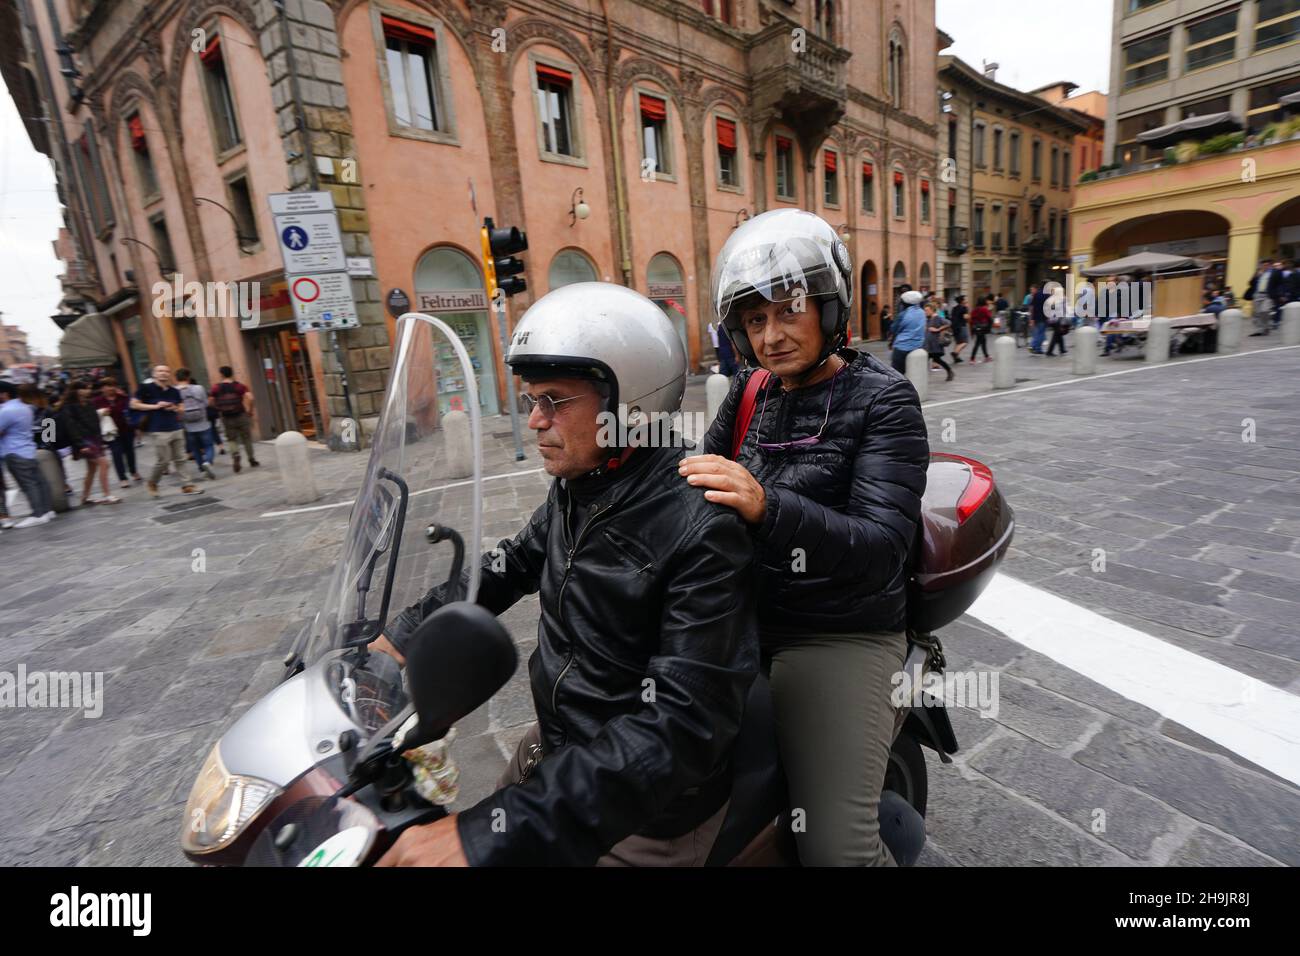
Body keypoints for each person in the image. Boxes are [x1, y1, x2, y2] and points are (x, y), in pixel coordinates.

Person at [373, 282, 758, 867]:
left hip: (650, 806)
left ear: (626, 404)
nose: (534, 421)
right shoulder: (582, 489)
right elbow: (507, 566)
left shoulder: (701, 524)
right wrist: (401, 636)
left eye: (554, 400)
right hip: (566, 748)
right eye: (532, 399)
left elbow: (681, 722)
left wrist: (480, 837)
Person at [681, 208, 929, 866]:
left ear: (829, 306)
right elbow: (702, 486)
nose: (771, 335)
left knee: (833, 852)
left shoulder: (885, 399)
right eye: (755, 320)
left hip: (837, 629)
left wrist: (768, 507)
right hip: (744, 612)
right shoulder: (749, 391)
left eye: (788, 311)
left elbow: (881, 546)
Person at [131, 364, 204, 498]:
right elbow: (134, 404)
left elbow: (182, 408)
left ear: (169, 374)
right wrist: (155, 406)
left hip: (176, 427)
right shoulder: (145, 388)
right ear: (154, 374)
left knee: (181, 459)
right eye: (160, 371)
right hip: (158, 429)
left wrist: (174, 408)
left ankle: (187, 485)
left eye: (166, 371)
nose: (163, 373)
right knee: (163, 461)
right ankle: (153, 482)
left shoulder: (174, 391)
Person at [0, 380, 56, 527]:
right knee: (39, 482)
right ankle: (47, 510)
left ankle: (38, 514)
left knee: (28, 485)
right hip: (28, 449)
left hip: (14, 451)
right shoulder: (26, 408)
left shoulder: (6, 411)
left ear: (4, 394)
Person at [55, 380, 119, 507]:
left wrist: (101, 439)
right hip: (83, 440)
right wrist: (80, 445)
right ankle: (107, 495)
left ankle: (85, 497)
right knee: (104, 464)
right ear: (76, 390)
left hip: (94, 438)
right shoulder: (68, 406)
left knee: (92, 469)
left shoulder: (89, 403)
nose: (88, 390)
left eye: (88, 388)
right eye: (85, 388)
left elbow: (95, 422)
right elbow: (70, 427)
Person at [92, 377, 141, 488]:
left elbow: (132, 412)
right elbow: (92, 417)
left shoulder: (124, 398)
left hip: (127, 429)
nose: (111, 388)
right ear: (102, 388)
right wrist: (101, 412)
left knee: (130, 452)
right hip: (111, 432)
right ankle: (122, 478)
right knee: (116, 453)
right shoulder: (97, 401)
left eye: (113, 385)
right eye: (108, 386)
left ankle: (133, 471)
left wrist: (136, 427)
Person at [210, 366, 259, 472]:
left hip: (227, 417)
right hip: (241, 414)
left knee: (232, 439)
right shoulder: (239, 386)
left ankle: (236, 455)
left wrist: (218, 408)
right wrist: (250, 410)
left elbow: (210, 401)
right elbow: (250, 398)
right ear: (231, 374)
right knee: (247, 438)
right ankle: (251, 459)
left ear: (221, 374)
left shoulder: (216, 388)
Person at [176, 368, 216, 480]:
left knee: (195, 449)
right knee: (208, 445)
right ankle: (207, 462)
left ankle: (202, 469)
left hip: (188, 426)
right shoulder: (198, 388)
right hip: (203, 423)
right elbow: (206, 403)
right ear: (188, 377)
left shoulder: (174, 391)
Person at [888, 290, 926, 374]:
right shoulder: (922, 312)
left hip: (902, 347)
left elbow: (893, 329)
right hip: (918, 346)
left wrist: (891, 341)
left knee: (897, 373)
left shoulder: (903, 314)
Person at [1244, 259, 1281, 336]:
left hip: (1267, 295)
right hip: (1257, 294)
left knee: (1264, 311)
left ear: (1270, 265)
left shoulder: (1275, 272)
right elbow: (1250, 283)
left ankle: (1266, 327)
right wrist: (1256, 275)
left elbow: (1280, 284)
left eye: (1266, 265)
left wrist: (1279, 294)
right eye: (1263, 265)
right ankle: (1259, 330)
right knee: (1257, 313)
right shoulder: (1258, 272)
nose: (1264, 266)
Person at [924, 301, 954, 380]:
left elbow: (949, 323)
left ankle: (950, 371)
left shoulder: (938, 318)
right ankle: (949, 371)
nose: (925, 312)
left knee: (934, 359)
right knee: (933, 359)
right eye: (925, 310)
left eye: (927, 310)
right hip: (928, 344)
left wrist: (938, 329)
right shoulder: (928, 319)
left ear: (932, 310)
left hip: (935, 344)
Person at [969, 296, 993, 361]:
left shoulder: (974, 310)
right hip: (983, 328)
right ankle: (972, 358)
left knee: (983, 342)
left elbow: (971, 321)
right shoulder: (984, 309)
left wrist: (971, 331)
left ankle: (986, 356)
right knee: (978, 343)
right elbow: (989, 317)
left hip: (976, 328)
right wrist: (990, 326)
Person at [1027, 283, 1048, 353]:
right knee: (1041, 334)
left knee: (1038, 333)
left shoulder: (1036, 295)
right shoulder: (1046, 295)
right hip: (1043, 317)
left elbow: (1032, 307)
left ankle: (1038, 349)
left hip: (1036, 317)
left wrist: (1032, 318)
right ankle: (1033, 345)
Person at [948, 295, 970, 363]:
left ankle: (956, 358)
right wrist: (968, 313)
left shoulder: (954, 308)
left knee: (958, 342)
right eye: (965, 299)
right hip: (961, 326)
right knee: (965, 342)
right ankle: (955, 353)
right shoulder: (964, 308)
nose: (966, 300)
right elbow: (966, 317)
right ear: (962, 301)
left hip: (954, 327)